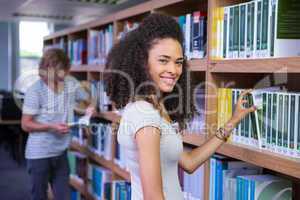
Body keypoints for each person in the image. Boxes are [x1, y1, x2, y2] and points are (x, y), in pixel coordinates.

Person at [105, 13, 256, 200]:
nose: (173, 70)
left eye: (178, 62)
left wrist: (232, 121)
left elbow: (189, 163)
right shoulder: (145, 115)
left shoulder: (154, 107)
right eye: (163, 60)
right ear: (142, 61)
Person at [21, 48, 90, 200]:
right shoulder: (35, 91)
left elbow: (86, 99)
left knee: (64, 196)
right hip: (39, 154)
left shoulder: (70, 82)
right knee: (39, 196)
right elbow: (25, 124)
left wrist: (90, 107)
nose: (61, 76)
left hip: (61, 153)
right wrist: (51, 127)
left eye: (63, 72)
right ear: (46, 70)